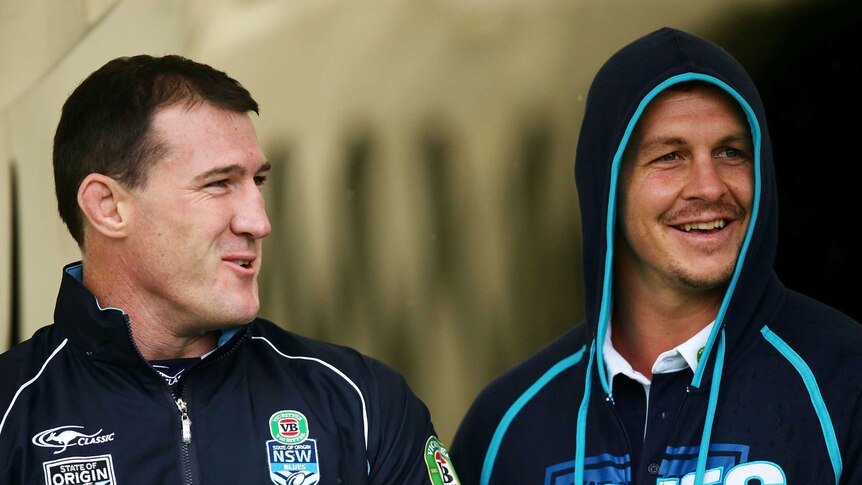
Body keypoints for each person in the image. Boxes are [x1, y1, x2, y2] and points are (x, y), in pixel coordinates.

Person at [0, 55, 459, 485]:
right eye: (219, 184)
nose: (259, 222)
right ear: (108, 207)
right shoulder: (12, 413)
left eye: (256, 181)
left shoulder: (360, 402)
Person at [450, 27, 862, 484]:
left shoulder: (845, 382)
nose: (709, 186)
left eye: (730, 152)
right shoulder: (505, 429)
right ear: (608, 186)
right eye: (670, 157)